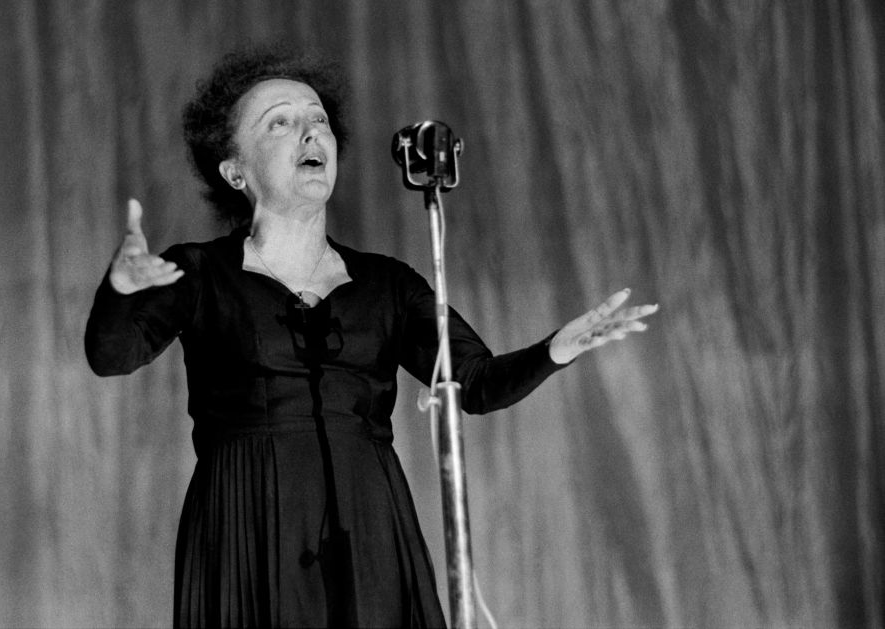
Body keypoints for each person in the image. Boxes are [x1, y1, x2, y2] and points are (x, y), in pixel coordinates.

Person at [84, 44, 658, 628]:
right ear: (236, 171)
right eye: (280, 122)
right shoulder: (201, 272)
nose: (310, 133)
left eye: (318, 120)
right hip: (246, 518)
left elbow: (478, 384)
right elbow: (112, 356)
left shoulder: (387, 284)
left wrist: (558, 348)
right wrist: (120, 289)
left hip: (368, 520)